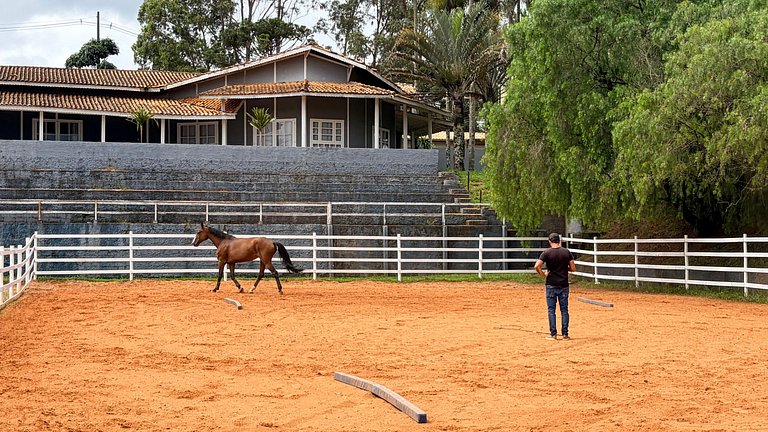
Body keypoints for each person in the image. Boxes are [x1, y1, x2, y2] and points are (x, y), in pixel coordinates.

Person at [534, 233, 576, 341]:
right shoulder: (566, 252)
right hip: (563, 284)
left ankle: (553, 334)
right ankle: (565, 334)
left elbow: (537, 266)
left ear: (550, 241)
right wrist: (564, 269)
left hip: (551, 284)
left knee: (551, 310)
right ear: (559, 241)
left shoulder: (546, 253)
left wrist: (543, 274)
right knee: (564, 310)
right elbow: (573, 268)